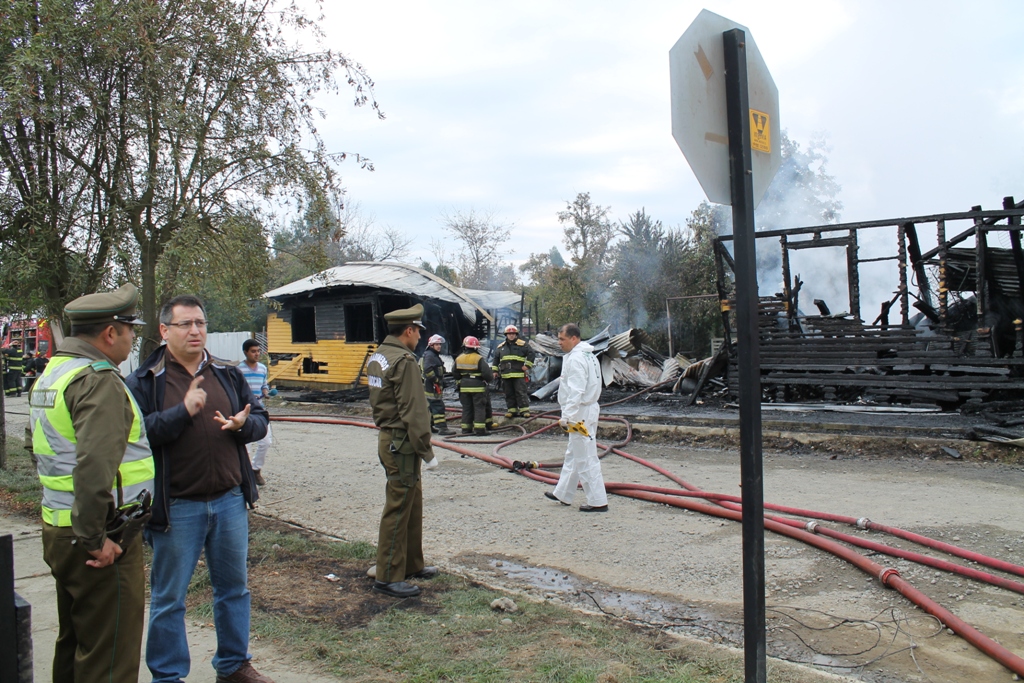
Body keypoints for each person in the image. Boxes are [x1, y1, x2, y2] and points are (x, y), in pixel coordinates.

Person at [126, 295, 272, 683]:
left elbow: (259, 417)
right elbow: (137, 436)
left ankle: (234, 665)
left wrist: (245, 426)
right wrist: (183, 411)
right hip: (177, 508)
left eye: (201, 324)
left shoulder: (227, 373)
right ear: (164, 331)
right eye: (185, 324)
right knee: (169, 599)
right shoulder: (144, 380)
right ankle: (169, 676)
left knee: (234, 590)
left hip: (228, 502)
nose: (195, 331)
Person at [30, 283, 154, 682]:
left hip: (59, 527)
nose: (133, 337)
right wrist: (96, 538)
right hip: (102, 539)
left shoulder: (54, 373)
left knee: (76, 645)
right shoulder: (98, 380)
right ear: (110, 333)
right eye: (129, 329)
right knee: (109, 659)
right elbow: (94, 465)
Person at [366, 303, 440, 599]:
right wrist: (426, 448)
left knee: (412, 502)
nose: (420, 337)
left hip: (391, 437)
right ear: (408, 330)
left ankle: (410, 563)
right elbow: (414, 409)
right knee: (399, 507)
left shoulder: (380, 356)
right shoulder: (405, 361)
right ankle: (387, 575)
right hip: (404, 441)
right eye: (418, 331)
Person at [545, 323, 609, 512]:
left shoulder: (576, 359)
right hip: (587, 409)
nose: (559, 343)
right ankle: (563, 492)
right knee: (574, 453)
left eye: (562, 339)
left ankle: (598, 501)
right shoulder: (589, 355)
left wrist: (568, 416)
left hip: (580, 412)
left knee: (585, 457)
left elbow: (576, 390)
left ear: (574, 338)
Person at [240, 338, 272, 485]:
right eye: (253, 351)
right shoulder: (238, 369)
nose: (257, 354)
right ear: (245, 352)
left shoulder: (263, 368)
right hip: (244, 412)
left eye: (258, 351)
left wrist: (266, 392)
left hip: (259, 411)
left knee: (266, 442)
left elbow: (264, 385)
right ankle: (245, 474)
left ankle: (256, 469)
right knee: (245, 446)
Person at [492, 324, 536, 418]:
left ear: (516, 334)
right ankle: (512, 410)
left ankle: (524, 410)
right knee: (509, 393)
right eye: (509, 334)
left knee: (520, 392)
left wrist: (527, 365)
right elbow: (495, 360)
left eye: (513, 333)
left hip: (518, 374)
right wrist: (495, 371)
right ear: (506, 335)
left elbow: (531, 354)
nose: (511, 335)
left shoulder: (522, 345)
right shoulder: (501, 347)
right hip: (505, 375)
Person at [452, 336, 494, 436]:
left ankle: (466, 429)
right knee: (479, 407)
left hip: (464, 387)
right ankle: (480, 430)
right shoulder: (479, 358)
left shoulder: (459, 358)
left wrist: (463, 378)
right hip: (478, 387)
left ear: (464, 346)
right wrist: (487, 380)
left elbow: (455, 373)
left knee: (467, 408)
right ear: (476, 347)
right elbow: (487, 374)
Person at [420, 334, 453, 435]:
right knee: (438, 406)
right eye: (436, 344)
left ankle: (429, 426)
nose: (439, 346)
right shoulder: (430, 355)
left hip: (433, 386)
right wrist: (436, 380)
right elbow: (427, 370)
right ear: (431, 345)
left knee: (431, 407)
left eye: (439, 344)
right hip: (432, 387)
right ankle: (442, 428)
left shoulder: (433, 355)